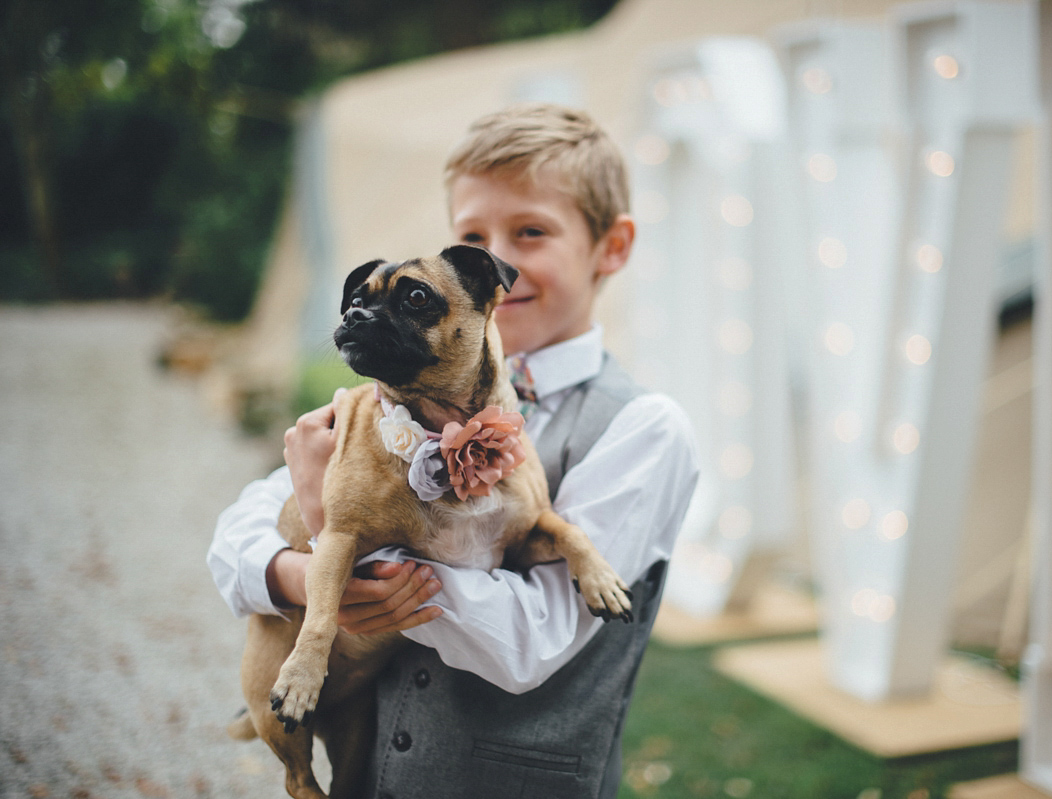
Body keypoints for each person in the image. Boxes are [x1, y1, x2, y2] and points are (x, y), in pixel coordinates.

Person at [209, 103, 699, 798]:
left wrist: (346, 539)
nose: (505, 260)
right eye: (473, 234)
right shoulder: (378, 407)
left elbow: (528, 643)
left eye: (532, 230)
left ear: (613, 246)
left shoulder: (646, 429)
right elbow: (235, 536)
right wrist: (293, 573)